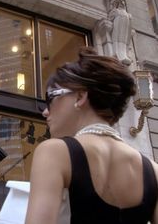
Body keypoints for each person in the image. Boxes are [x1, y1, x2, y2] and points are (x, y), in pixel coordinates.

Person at [25, 46, 158, 224]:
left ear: (80, 97)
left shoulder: (55, 152)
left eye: (51, 97)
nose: (45, 112)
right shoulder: (153, 172)